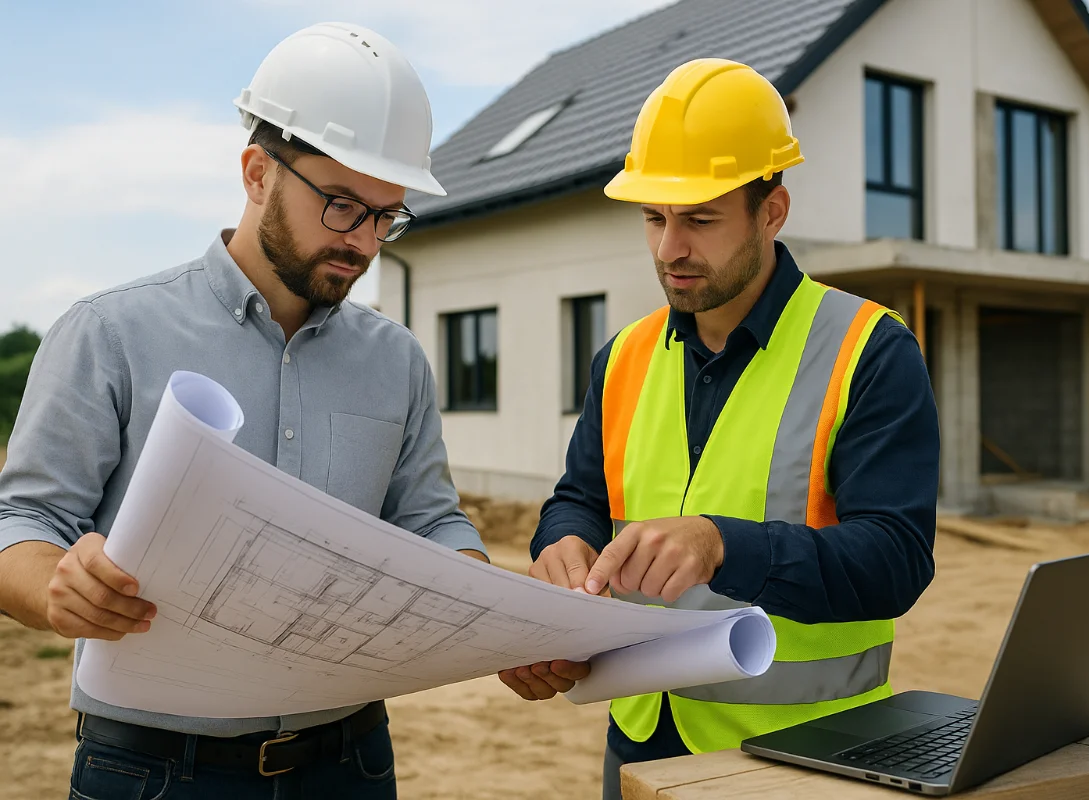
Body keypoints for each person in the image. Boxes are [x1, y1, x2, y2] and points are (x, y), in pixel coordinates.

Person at [0, 22, 488, 799]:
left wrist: (485, 603)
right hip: (153, 770)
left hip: (351, 763)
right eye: (340, 205)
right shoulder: (110, 334)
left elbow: (429, 519)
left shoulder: (396, 360)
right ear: (257, 172)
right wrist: (59, 584)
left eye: (385, 216)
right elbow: (21, 521)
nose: (363, 241)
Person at [497, 58, 940, 798]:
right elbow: (579, 496)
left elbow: (896, 560)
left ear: (772, 210)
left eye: (700, 218)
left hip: (807, 757)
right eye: (654, 217)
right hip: (640, 747)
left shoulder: (869, 349)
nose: (671, 248)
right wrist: (561, 547)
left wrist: (724, 544)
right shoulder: (624, 357)